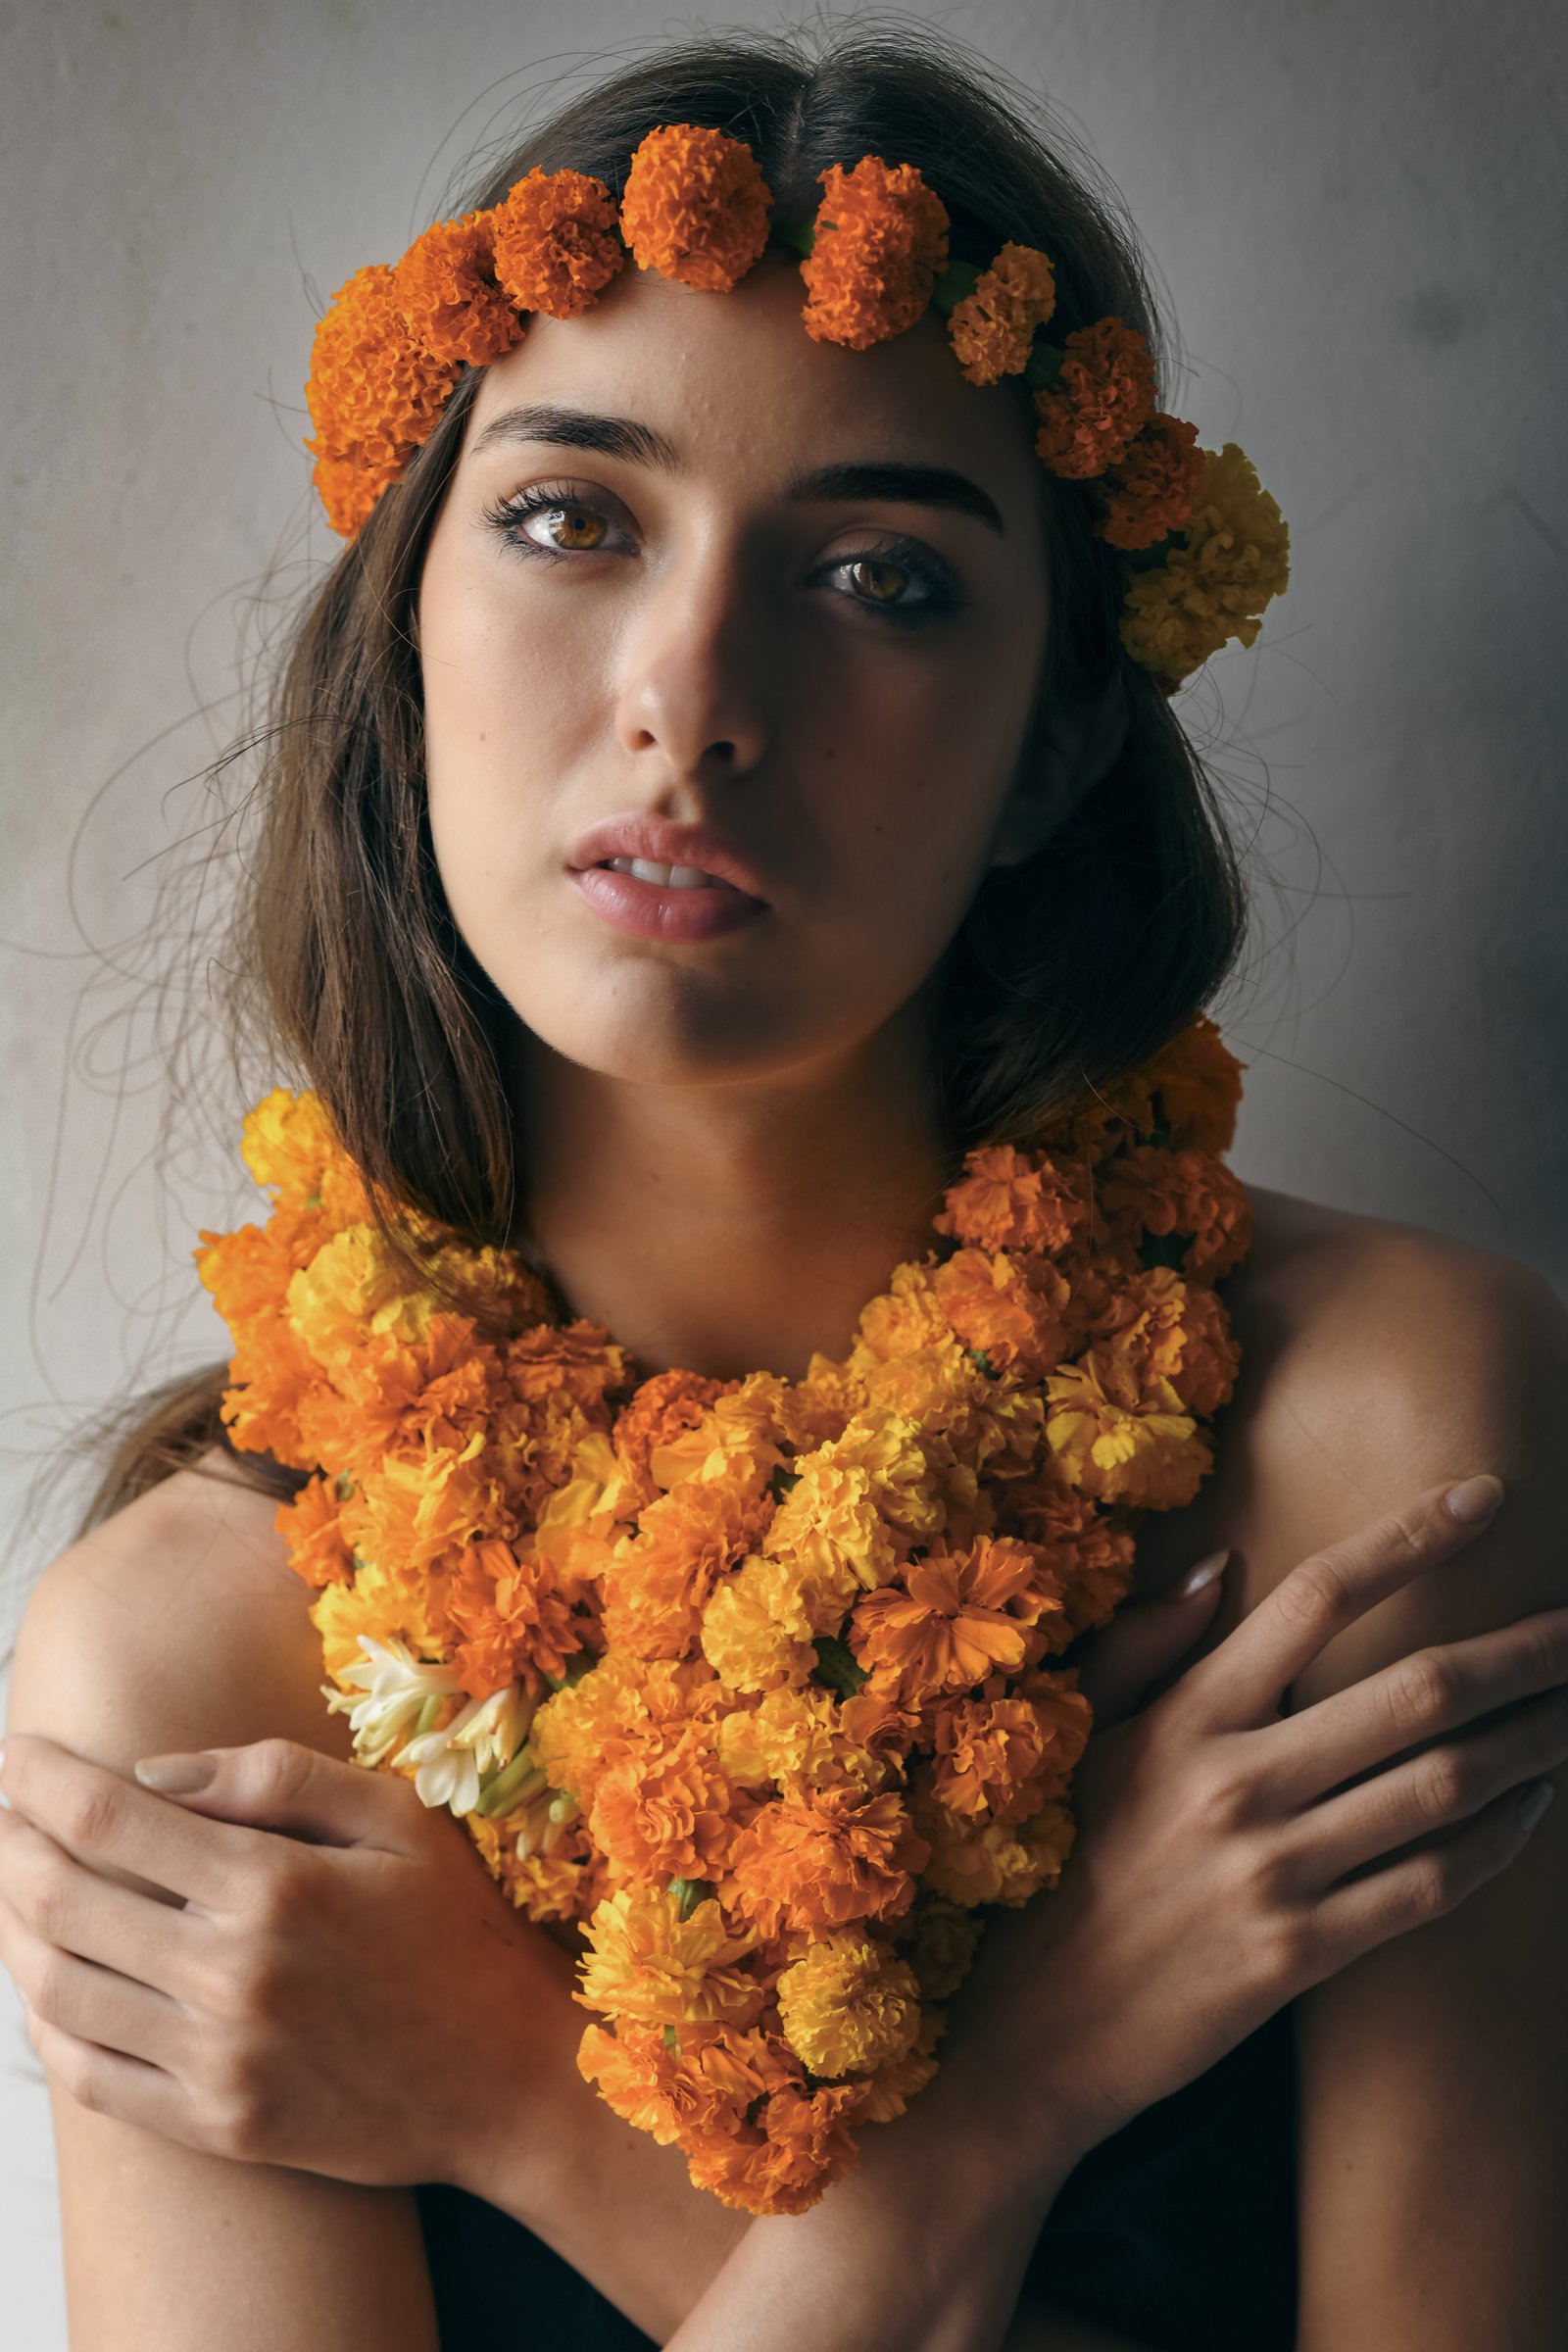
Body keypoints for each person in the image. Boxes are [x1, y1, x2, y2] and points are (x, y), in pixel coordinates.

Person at [1, 26, 1565, 2352]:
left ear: (1051, 742)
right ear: (403, 623)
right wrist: (1030, 2075)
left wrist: (516, 2111)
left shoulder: (1380, 1448)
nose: (690, 695)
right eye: (571, 518)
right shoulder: (196, 1665)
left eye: (878, 576)